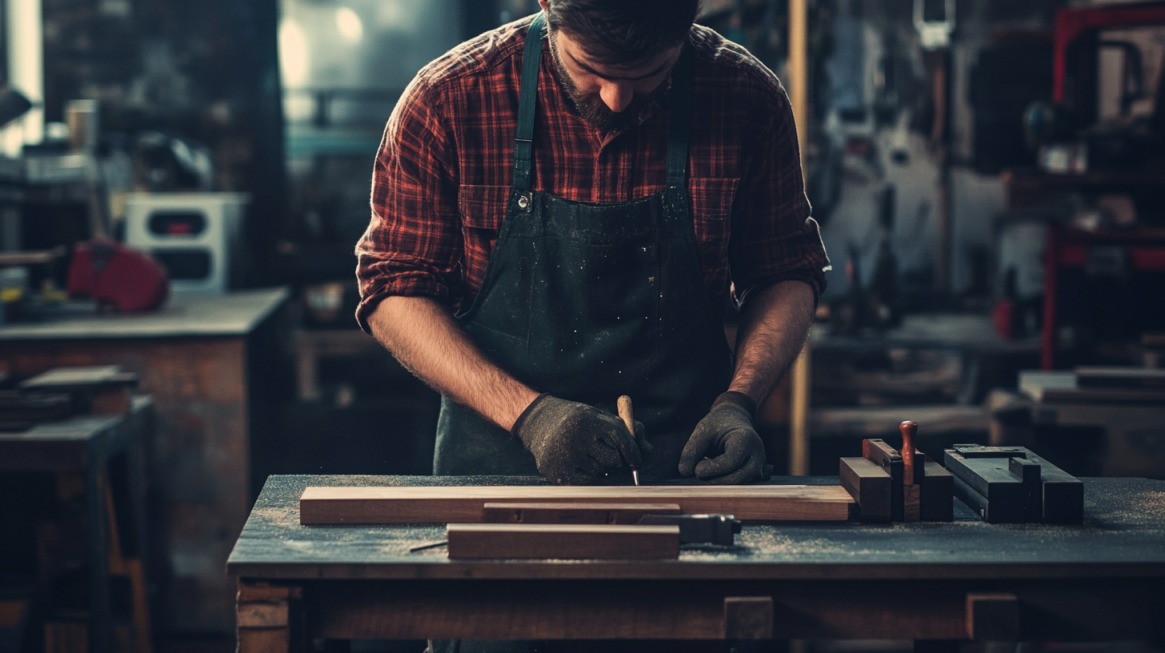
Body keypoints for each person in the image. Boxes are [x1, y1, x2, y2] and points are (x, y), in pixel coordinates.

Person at [355, 0, 829, 490]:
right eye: (591, 69)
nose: (617, 99)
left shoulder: (746, 98)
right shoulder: (449, 100)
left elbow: (784, 271)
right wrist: (530, 416)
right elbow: (393, 291)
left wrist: (739, 402)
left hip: (685, 473)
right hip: (499, 474)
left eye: (650, 74)